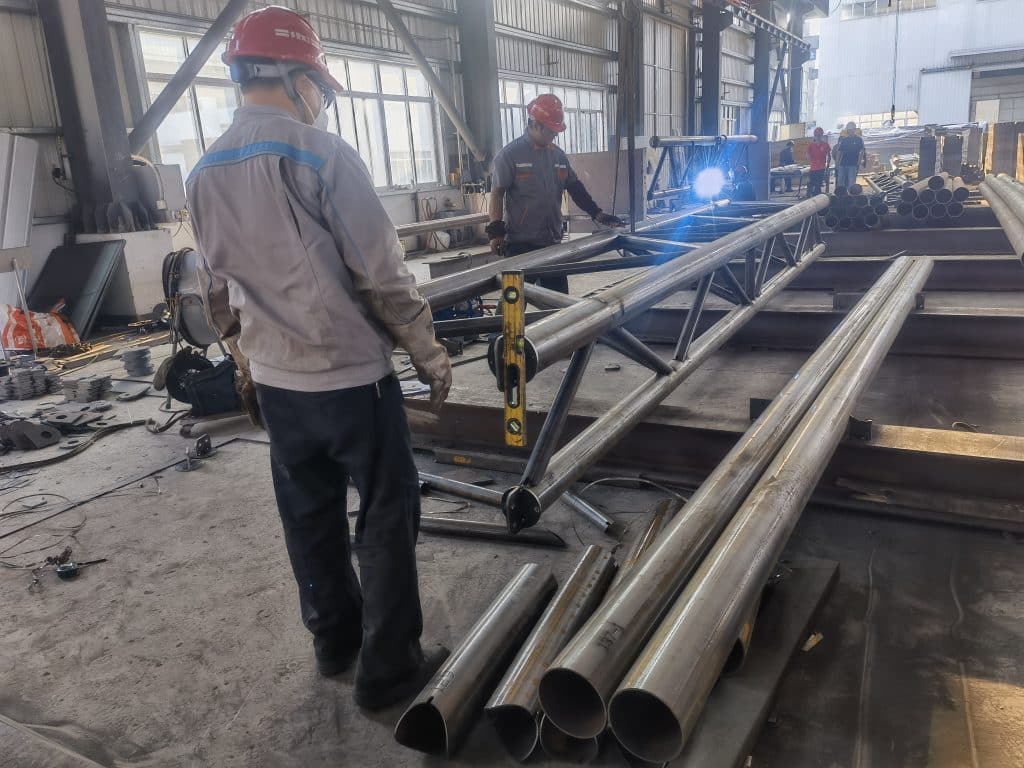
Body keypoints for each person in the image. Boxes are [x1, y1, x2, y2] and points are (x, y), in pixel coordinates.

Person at [185, 6, 450, 712]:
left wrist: (243, 363)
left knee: (310, 515)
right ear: (297, 77)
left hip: (277, 385)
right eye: (319, 87)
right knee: (388, 516)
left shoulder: (203, 172)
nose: (320, 101)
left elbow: (216, 290)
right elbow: (381, 272)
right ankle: (389, 670)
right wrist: (428, 352)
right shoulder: (319, 154)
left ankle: (334, 641)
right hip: (351, 380)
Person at [487, 94, 624, 293]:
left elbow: (574, 187)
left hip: (551, 240)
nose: (556, 135)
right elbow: (497, 192)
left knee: (558, 300)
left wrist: (597, 213)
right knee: (514, 302)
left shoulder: (558, 155)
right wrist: (496, 232)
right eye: (552, 130)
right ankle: (501, 325)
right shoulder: (510, 155)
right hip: (520, 243)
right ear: (535, 125)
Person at [834, 121, 866, 190]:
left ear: (854, 130)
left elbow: (862, 151)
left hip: (853, 164)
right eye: (849, 130)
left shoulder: (859, 139)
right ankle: (841, 195)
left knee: (851, 182)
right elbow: (839, 152)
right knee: (840, 181)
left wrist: (859, 161)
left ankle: (850, 196)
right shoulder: (844, 140)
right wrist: (837, 163)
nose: (850, 131)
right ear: (848, 130)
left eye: (851, 129)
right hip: (843, 163)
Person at [807, 127, 831, 197]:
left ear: (821, 135)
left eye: (820, 135)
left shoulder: (825, 145)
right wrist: (811, 161)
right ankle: (811, 195)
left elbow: (829, 155)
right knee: (812, 183)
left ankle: (817, 196)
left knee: (818, 184)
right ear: (815, 136)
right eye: (817, 135)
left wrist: (827, 165)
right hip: (813, 168)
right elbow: (808, 155)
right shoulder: (811, 145)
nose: (818, 137)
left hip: (821, 168)